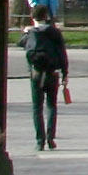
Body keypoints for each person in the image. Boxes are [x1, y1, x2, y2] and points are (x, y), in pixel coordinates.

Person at [24, 9, 71, 149]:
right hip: (52, 73)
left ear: (32, 17)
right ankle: (51, 138)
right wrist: (65, 73)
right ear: (47, 17)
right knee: (51, 105)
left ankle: (40, 141)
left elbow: (22, 44)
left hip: (36, 73)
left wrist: (27, 32)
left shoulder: (31, 33)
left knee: (37, 108)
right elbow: (62, 53)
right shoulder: (54, 33)